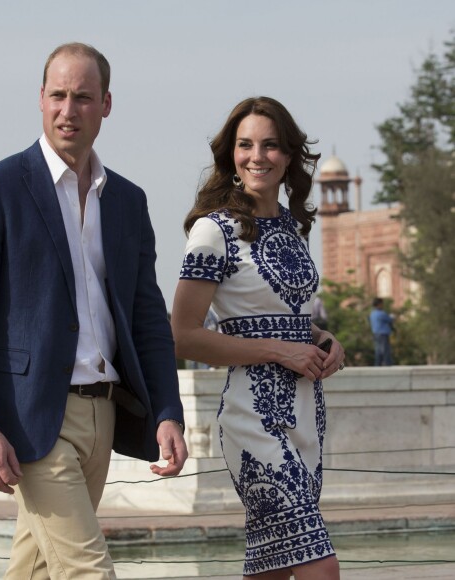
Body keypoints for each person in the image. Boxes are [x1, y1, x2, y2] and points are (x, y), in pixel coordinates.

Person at [0, 42, 187, 579]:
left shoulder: (127, 200)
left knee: (37, 570)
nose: (67, 110)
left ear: (106, 105)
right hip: (33, 421)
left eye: (82, 97)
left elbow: (147, 318)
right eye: (57, 95)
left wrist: (167, 409)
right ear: (40, 99)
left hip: (105, 413)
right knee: (88, 570)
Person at [171, 97, 344, 580]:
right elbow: (183, 336)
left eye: (270, 145)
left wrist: (324, 338)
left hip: (308, 413)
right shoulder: (213, 232)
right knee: (320, 566)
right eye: (245, 145)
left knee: (273, 568)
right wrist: (277, 351)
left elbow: (278, 316)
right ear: (230, 156)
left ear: (289, 156)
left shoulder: (294, 227)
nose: (257, 156)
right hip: (254, 418)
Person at [369, 297, 394, 366]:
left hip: (376, 334)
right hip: (383, 334)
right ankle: (387, 364)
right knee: (385, 351)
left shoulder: (372, 314)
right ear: (379, 304)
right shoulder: (381, 314)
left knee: (378, 350)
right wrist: (392, 317)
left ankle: (378, 364)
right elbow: (390, 320)